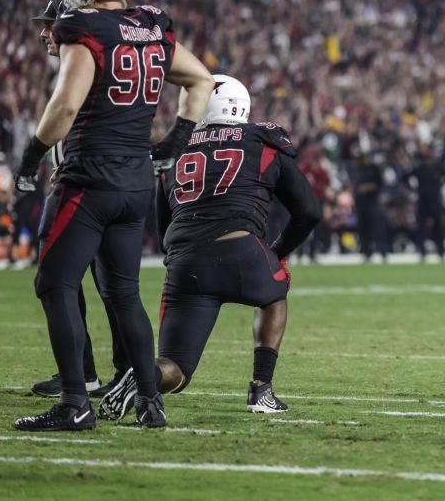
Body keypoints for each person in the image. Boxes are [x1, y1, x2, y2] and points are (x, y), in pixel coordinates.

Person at [11, 0, 214, 432]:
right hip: (136, 182)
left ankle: (76, 401)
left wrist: (32, 158)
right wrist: (173, 144)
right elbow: (203, 80)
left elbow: (63, 108)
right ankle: (149, 401)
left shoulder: (87, 30)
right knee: (125, 294)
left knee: (54, 284)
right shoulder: (150, 27)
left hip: (89, 178)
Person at [98, 76, 321, 417]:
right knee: (276, 291)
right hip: (240, 250)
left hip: (185, 264)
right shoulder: (261, 141)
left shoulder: (174, 151)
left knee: (176, 370)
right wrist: (275, 253)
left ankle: (146, 374)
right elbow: (309, 211)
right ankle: (261, 389)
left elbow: (162, 231)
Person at [23, 0, 126, 399]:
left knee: (95, 283)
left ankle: (111, 373)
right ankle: (95, 372)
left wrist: (51, 163)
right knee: (78, 281)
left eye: (49, 24)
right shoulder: (78, 60)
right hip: (83, 177)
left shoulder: (84, 59)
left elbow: (76, 117)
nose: (45, 33)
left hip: (92, 183)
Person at [407, 146, 445, 262]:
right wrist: (412, 188)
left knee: (439, 226)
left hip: (435, 200)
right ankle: (422, 251)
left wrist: (440, 185)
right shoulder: (419, 168)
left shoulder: (438, 167)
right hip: (423, 201)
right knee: (421, 227)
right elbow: (405, 177)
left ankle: (441, 251)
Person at [353, 153, 389, 263]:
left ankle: (382, 252)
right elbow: (355, 188)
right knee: (363, 230)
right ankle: (366, 253)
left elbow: (381, 184)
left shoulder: (375, 169)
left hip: (372, 203)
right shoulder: (357, 170)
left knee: (377, 229)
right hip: (361, 204)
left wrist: (370, 187)